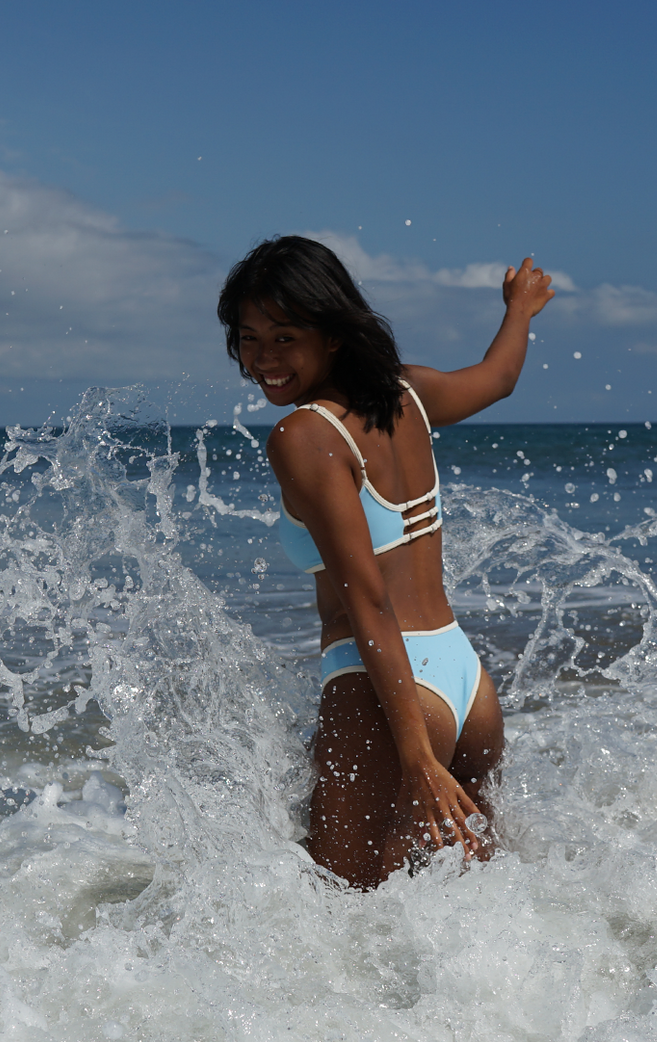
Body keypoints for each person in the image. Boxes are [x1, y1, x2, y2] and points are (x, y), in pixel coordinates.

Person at [217, 236, 554, 888]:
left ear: (333, 332)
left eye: (284, 337)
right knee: (478, 908)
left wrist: (416, 757)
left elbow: (368, 601)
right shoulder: (409, 394)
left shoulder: (305, 435)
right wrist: (518, 310)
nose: (263, 359)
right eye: (249, 337)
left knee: (338, 913)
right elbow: (498, 378)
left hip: (388, 693)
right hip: (465, 683)